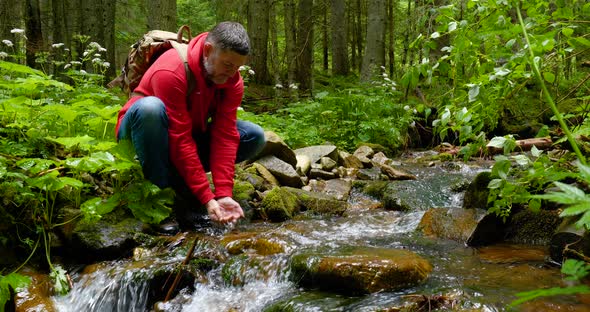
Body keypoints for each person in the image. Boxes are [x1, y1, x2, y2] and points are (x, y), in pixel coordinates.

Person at [115, 22, 265, 227]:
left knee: (253, 135)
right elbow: (179, 137)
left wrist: (222, 194)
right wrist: (205, 196)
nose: (232, 74)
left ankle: (177, 179)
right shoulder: (172, 69)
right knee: (151, 108)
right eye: (228, 65)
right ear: (208, 50)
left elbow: (225, 136)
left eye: (237, 67)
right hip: (140, 136)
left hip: (181, 139)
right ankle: (160, 199)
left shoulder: (232, 81)